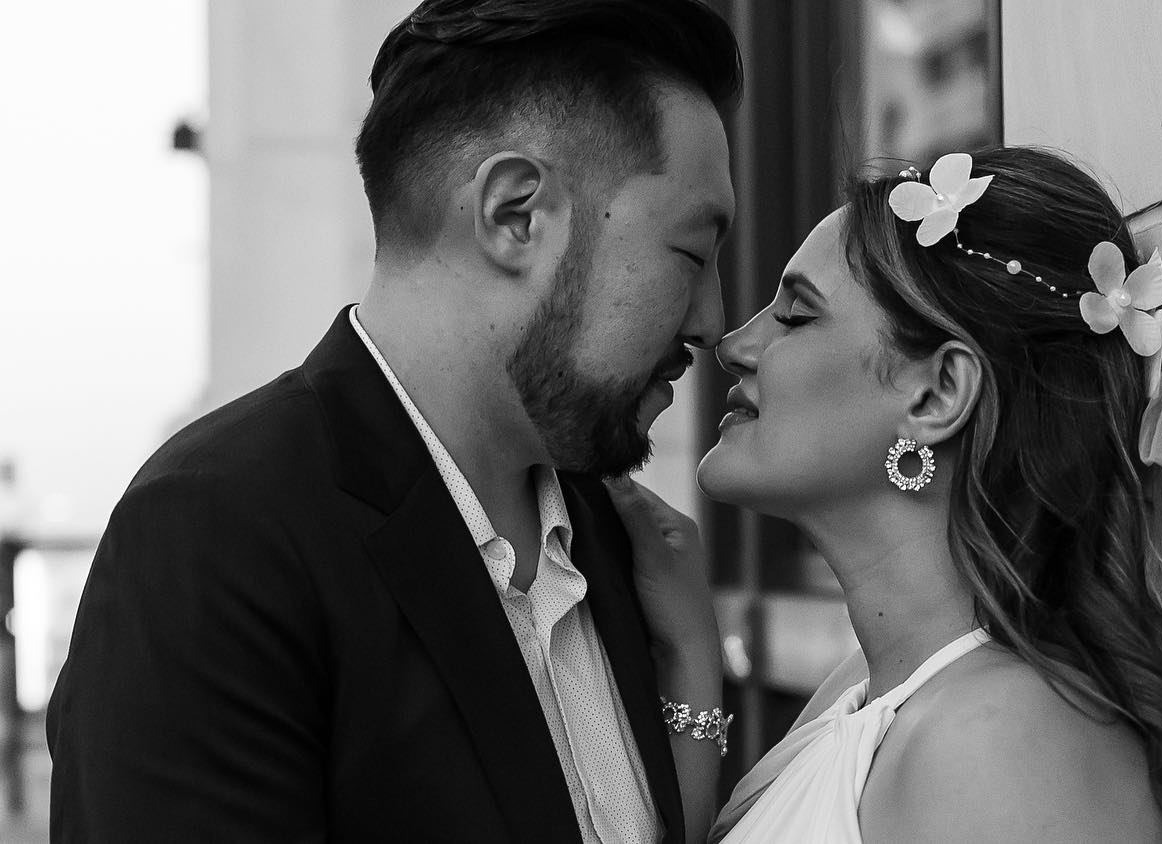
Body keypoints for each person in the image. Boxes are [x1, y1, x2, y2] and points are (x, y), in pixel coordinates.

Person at [47, 1, 740, 841]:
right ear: (514, 213)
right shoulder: (218, 533)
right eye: (692, 255)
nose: (712, 320)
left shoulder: (618, 545)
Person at [611, 146, 1162, 842]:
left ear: (938, 394)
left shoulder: (999, 745)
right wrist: (689, 657)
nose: (732, 344)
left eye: (794, 316)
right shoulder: (862, 691)